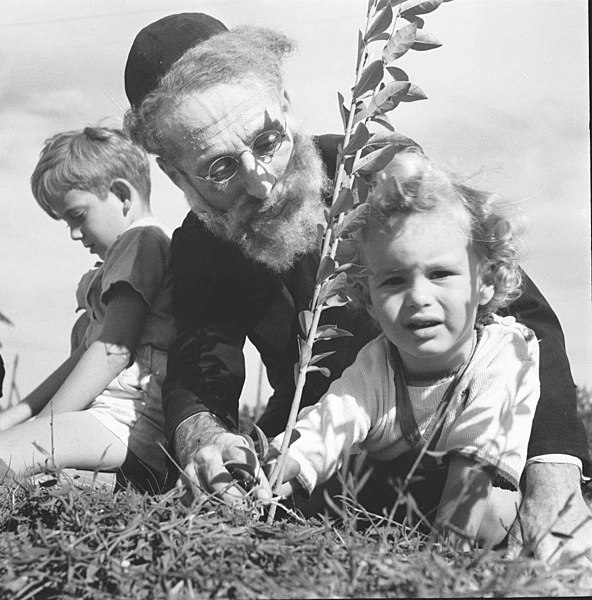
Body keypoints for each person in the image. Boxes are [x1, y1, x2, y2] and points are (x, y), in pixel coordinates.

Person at [123, 13, 592, 561]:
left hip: (468, 428)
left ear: (286, 102)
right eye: (220, 167)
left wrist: (553, 474)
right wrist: (206, 441)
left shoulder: (377, 172)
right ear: (178, 176)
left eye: (267, 140)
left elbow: (524, 317)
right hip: (332, 441)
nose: (261, 180)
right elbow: (200, 366)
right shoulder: (202, 246)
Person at [268, 148, 539, 548]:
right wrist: (275, 469)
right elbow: (329, 423)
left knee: (496, 512)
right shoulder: (376, 364)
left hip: (470, 496)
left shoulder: (506, 353)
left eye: (441, 274)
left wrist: (441, 562)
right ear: (367, 297)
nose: (418, 297)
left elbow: (472, 472)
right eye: (393, 281)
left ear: (485, 281)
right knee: (328, 490)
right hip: (387, 506)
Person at [0, 127, 175, 493]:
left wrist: (41, 431)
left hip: (129, 422)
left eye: (77, 215)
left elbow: (112, 352)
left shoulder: (141, 242)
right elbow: (81, 357)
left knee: (2, 456)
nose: (74, 233)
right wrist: (17, 416)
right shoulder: (127, 255)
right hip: (111, 422)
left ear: (122, 194)